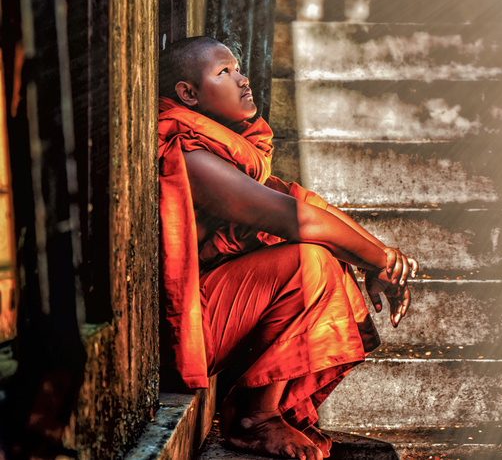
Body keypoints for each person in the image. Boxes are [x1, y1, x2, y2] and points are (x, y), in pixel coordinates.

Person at [158, 36, 417, 460]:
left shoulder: (219, 147)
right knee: (307, 259)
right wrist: (383, 260)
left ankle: (270, 410)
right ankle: (252, 419)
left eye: (239, 68)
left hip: (208, 313)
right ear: (188, 93)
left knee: (323, 251)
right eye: (224, 72)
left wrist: (377, 255)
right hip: (176, 332)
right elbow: (297, 220)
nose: (243, 80)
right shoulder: (189, 155)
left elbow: (299, 201)